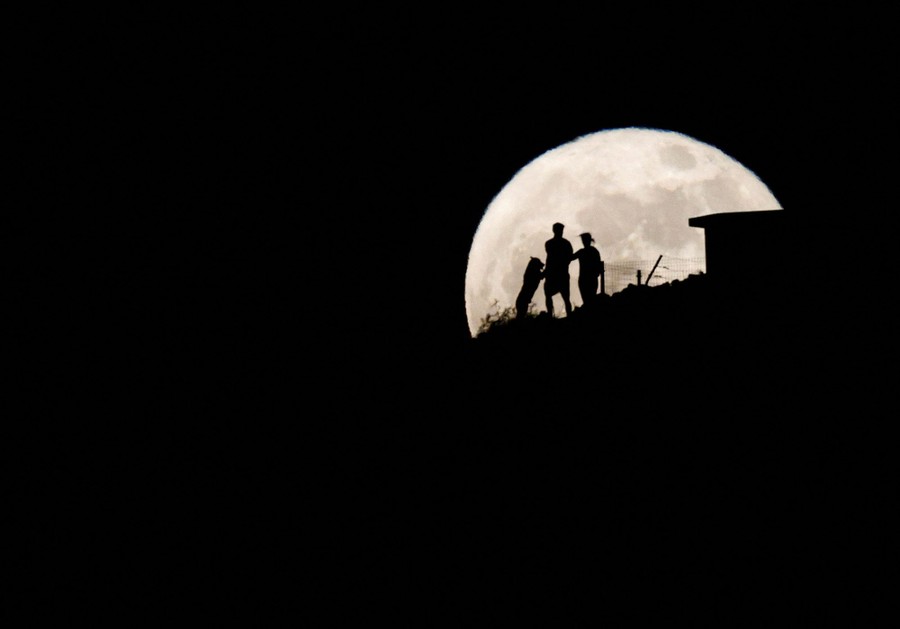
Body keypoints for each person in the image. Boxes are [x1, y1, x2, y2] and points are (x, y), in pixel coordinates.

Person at [543, 222, 574, 317]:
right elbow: (569, 257)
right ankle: (552, 315)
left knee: (562, 298)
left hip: (555, 274)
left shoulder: (549, 243)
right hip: (559, 274)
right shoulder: (565, 243)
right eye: (559, 230)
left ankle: (551, 315)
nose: (561, 231)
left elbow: (551, 259)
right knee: (564, 298)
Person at [572, 232, 603, 306]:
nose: (583, 242)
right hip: (591, 279)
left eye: (584, 240)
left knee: (586, 301)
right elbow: (599, 265)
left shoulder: (582, 252)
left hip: (584, 279)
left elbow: (570, 257)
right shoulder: (594, 251)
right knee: (591, 300)